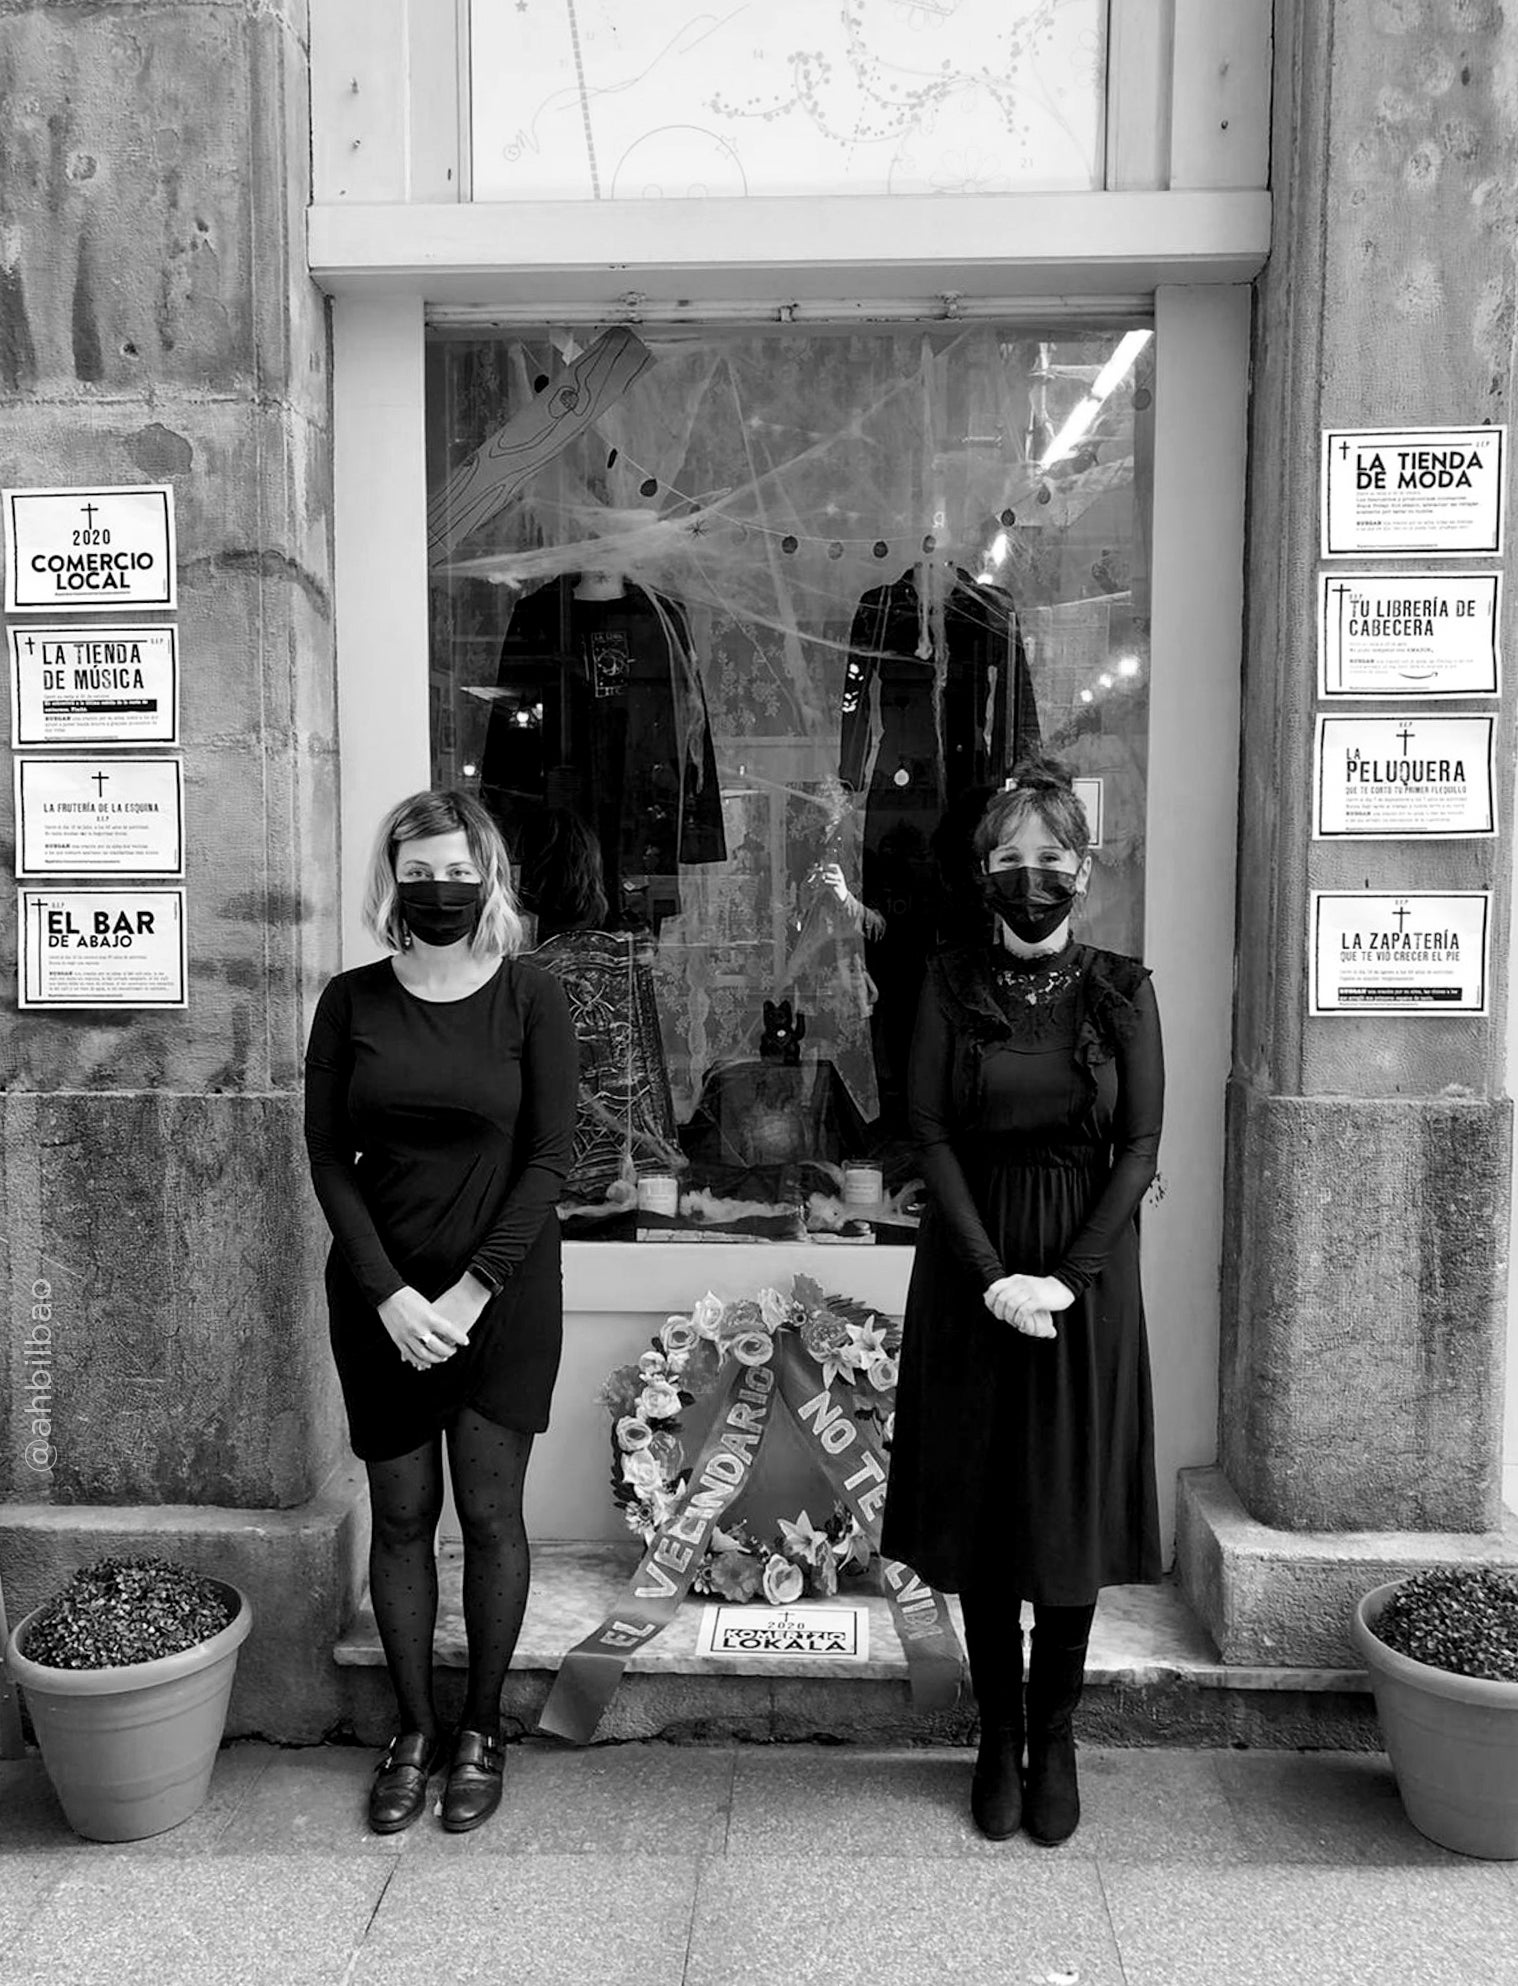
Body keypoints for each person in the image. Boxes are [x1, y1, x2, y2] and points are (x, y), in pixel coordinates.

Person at [880, 754, 1163, 1846]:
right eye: (1010, 860)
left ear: (1083, 872)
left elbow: (1138, 1146)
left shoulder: (1124, 990)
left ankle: (1059, 1734)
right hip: (970, 1264)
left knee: (1063, 1509)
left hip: (1087, 1269)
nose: (1030, 877)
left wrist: (1065, 1276)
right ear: (983, 873)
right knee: (985, 1508)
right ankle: (996, 1736)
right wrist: (994, 1271)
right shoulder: (948, 983)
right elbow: (932, 1132)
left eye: (1050, 859)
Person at [304, 789, 577, 1834]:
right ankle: (412, 1731)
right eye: (416, 874)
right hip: (385, 1300)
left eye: (455, 872)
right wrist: (387, 1295)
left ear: (488, 877)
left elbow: (551, 1157)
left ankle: (483, 1731)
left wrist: (469, 1291)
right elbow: (328, 1156)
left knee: (493, 1516)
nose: (437, 891)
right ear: (393, 881)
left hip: (499, 1297)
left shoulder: (530, 997)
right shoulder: (351, 1000)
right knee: (403, 1515)